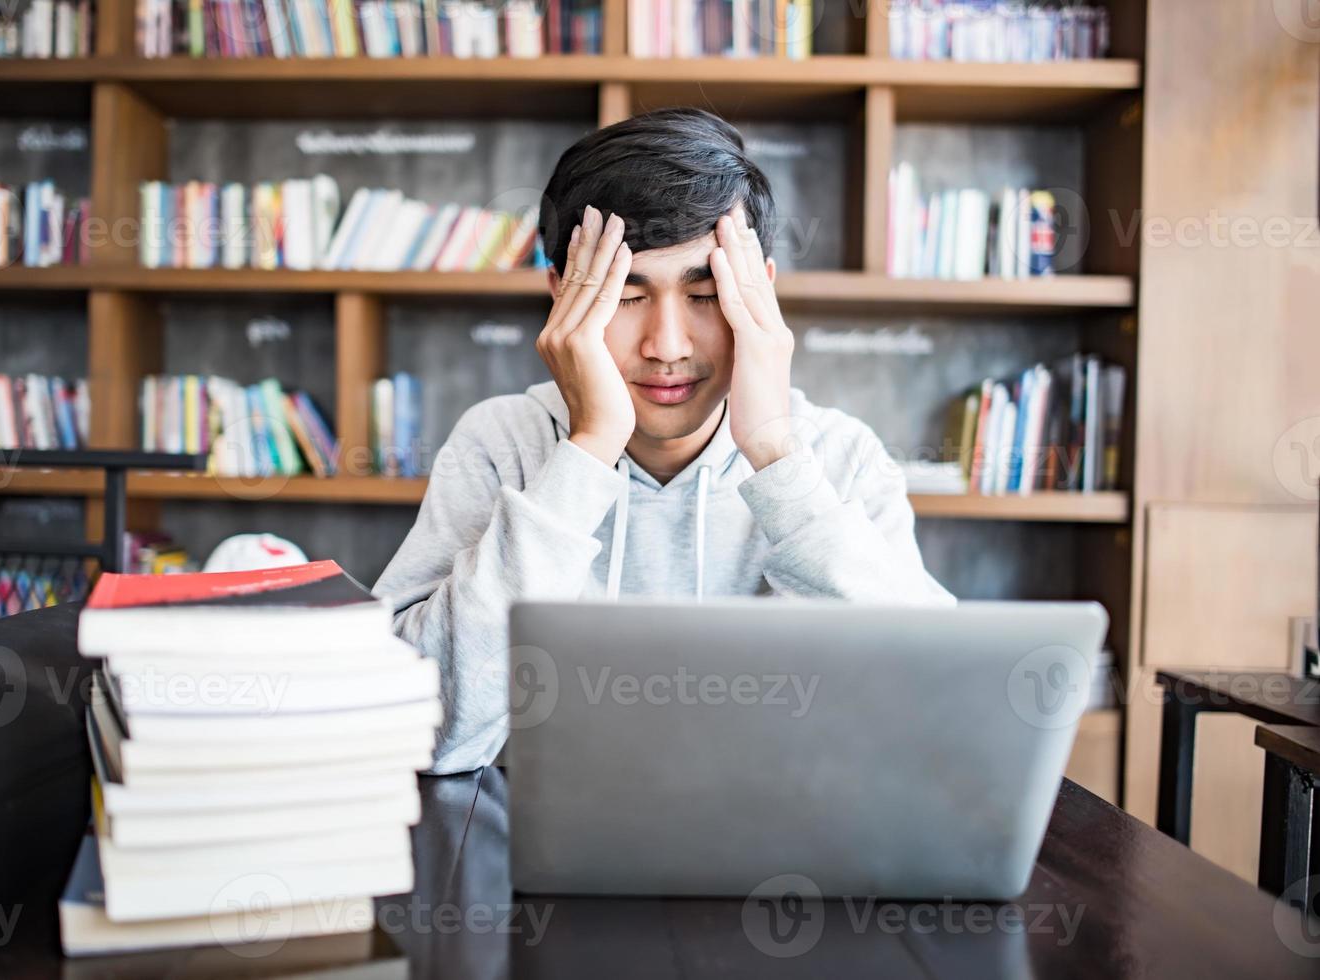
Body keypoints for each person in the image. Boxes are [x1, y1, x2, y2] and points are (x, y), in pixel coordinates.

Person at [373, 106, 955, 773]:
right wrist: (586, 452)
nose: (666, 346)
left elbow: (932, 721)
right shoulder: (499, 442)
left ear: (759, 295)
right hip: (540, 849)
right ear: (562, 297)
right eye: (625, 295)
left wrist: (772, 451)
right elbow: (423, 735)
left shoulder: (839, 456)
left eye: (704, 294)